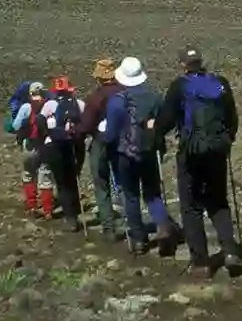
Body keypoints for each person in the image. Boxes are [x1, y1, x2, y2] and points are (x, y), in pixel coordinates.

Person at [156, 46, 242, 277]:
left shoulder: (179, 86)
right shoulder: (221, 83)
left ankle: (201, 262)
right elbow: (232, 117)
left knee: (192, 206)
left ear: (183, 64)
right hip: (217, 151)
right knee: (218, 201)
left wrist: (155, 137)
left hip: (191, 153)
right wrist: (226, 140)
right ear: (201, 62)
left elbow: (165, 120)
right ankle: (231, 252)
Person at [104, 56, 184, 257]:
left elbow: (111, 134)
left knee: (130, 196)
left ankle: (139, 240)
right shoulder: (154, 97)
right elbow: (165, 122)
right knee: (152, 193)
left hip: (124, 155)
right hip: (149, 152)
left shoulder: (116, 102)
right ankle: (163, 225)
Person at [77, 57, 123, 242]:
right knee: (125, 183)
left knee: (101, 184)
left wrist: (76, 133)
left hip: (101, 141)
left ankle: (109, 228)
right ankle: (133, 227)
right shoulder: (124, 92)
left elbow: (86, 125)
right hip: (123, 140)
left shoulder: (96, 97)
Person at [38, 75, 87, 232]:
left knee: (62, 183)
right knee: (73, 178)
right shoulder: (79, 104)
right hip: (76, 146)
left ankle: (70, 218)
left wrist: (46, 135)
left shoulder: (49, 105)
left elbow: (40, 121)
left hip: (56, 146)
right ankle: (76, 209)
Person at [11, 81, 55, 218]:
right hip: (46, 145)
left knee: (28, 174)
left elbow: (15, 126)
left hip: (29, 145)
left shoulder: (26, 107)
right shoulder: (49, 105)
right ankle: (48, 210)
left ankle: (32, 206)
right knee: (45, 176)